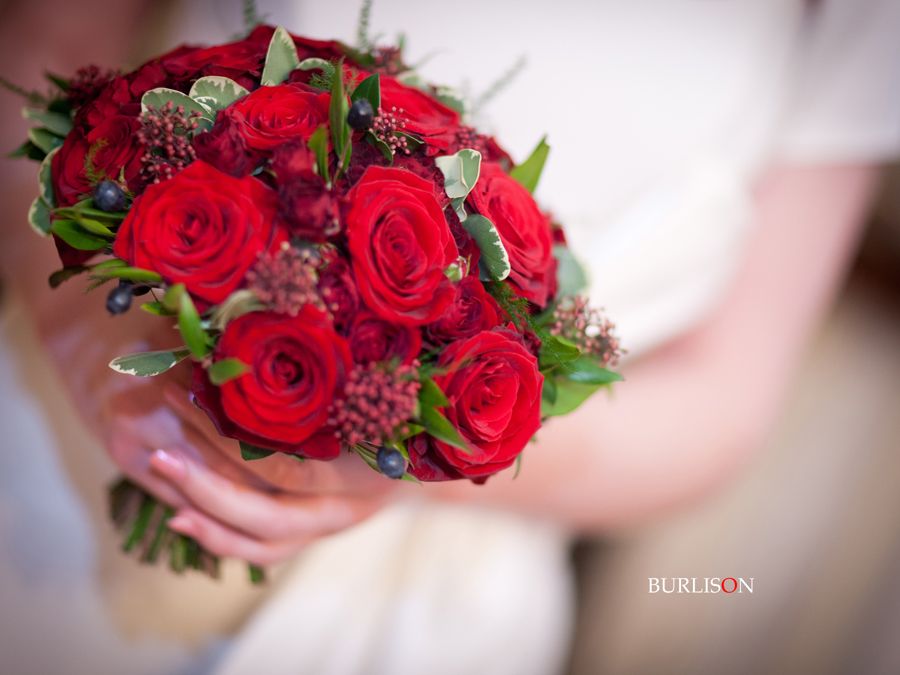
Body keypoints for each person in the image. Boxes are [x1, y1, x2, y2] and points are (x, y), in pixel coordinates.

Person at [0, 1, 898, 673]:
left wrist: (402, 455)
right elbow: (36, 59)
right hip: (68, 454)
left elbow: (725, 399)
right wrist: (87, 343)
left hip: (442, 614)